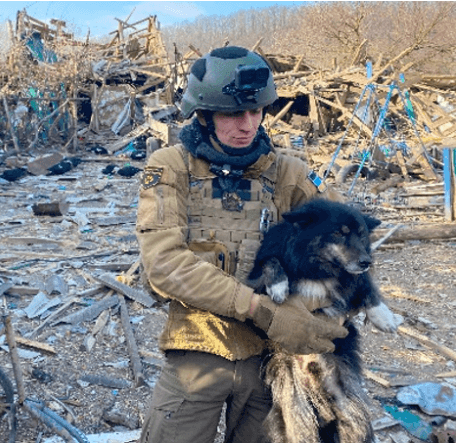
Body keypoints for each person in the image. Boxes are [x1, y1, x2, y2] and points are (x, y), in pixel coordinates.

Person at [135, 46, 349, 443]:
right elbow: (164, 264)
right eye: (233, 113)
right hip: (197, 349)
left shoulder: (290, 175)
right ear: (203, 114)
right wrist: (260, 308)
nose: (248, 124)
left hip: (272, 360)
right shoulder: (171, 167)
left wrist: (309, 315)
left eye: (256, 112)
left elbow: (343, 250)